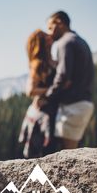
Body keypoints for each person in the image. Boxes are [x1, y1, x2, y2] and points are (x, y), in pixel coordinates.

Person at [38, 11, 94, 149]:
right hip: (84, 104)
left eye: (50, 28)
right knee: (71, 151)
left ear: (59, 22)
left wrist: (47, 96)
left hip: (73, 106)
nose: (49, 33)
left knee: (67, 154)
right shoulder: (80, 41)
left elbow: (62, 76)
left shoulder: (65, 42)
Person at [18, 29, 59, 158]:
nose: (50, 36)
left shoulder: (52, 60)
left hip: (49, 112)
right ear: (42, 42)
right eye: (46, 36)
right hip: (41, 114)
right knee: (38, 155)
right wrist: (53, 89)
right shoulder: (39, 64)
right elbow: (30, 90)